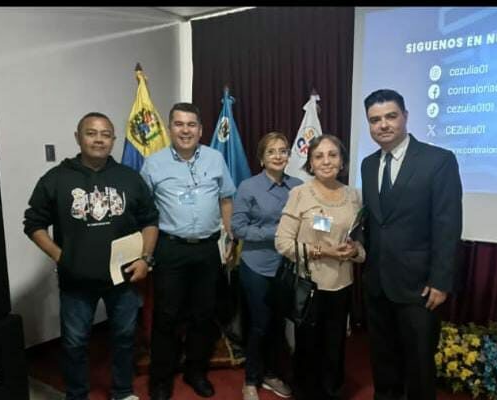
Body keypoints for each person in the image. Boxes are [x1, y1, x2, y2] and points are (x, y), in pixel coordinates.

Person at [23, 112, 158, 400]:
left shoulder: (129, 178)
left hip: (123, 277)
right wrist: (61, 257)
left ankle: (122, 391)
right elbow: (33, 224)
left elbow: (150, 220)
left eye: (106, 134)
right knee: (74, 343)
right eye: (91, 133)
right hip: (76, 281)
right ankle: (76, 394)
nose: (99, 139)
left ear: (113, 140)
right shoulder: (56, 178)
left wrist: (145, 259)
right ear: (78, 137)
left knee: (124, 338)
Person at [360, 89, 463, 400]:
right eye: (375, 120)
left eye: (391, 116)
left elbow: (447, 225)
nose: (383, 125)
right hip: (377, 283)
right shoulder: (367, 164)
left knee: (419, 364)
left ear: (405, 116)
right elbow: (374, 222)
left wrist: (440, 281)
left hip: (420, 287)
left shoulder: (439, 160)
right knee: (383, 359)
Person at [140, 102, 236, 400]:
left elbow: (226, 199)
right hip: (170, 249)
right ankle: (161, 379)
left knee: (203, 315)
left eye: (191, 124)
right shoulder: (153, 163)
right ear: (170, 128)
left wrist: (229, 237)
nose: (185, 130)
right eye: (179, 124)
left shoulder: (215, 158)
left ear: (201, 130)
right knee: (166, 316)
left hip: (207, 250)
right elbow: (144, 210)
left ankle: (196, 372)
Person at [275, 134, 365, 400]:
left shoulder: (353, 196)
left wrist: (355, 251)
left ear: (342, 161)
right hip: (309, 286)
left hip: (342, 284)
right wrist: (323, 251)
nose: (326, 161)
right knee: (308, 348)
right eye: (319, 156)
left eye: (333, 155)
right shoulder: (299, 194)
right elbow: (282, 243)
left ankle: (332, 393)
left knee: (335, 347)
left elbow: (360, 243)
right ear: (310, 164)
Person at [232, 132, 303, 400]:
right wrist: (278, 233)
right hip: (257, 267)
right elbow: (238, 229)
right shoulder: (248, 187)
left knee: (278, 324)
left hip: (287, 268)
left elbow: (309, 220)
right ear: (261, 158)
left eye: (283, 151)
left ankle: (272, 374)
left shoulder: (298, 186)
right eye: (271, 151)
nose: (278, 156)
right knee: (260, 324)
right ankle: (251, 379)